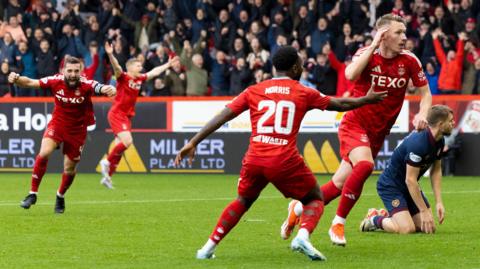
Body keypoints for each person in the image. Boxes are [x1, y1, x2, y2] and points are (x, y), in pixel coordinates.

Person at [174, 46, 387, 261]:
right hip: (283, 159)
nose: (303, 67)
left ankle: (207, 248)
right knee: (315, 199)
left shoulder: (254, 90)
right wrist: (366, 100)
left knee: (242, 201)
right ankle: (303, 236)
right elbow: (339, 103)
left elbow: (223, 116)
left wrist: (193, 141)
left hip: (254, 159)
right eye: (302, 64)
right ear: (295, 67)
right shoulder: (303, 91)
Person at [281, 14, 433, 246]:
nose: (404, 37)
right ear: (383, 35)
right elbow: (350, 75)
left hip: (377, 132)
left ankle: (299, 207)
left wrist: (423, 113)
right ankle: (338, 223)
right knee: (365, 165)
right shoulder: (366, 54)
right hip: (355, 123)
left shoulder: (410, 61)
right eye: (398, 32)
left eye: (404, 32)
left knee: (339, 184)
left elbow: (425, 94)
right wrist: (373, 46)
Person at [10, 56, 116, 214]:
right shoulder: (55, 81)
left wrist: (110, 89)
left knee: (69, 168)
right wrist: (17, 79)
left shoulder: (86, 84)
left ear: (81, 72)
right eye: (70, 71)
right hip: (58, 124)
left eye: (76, 71)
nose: (73, 74)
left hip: (78, 129)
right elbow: (32, 82)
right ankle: (32, 194)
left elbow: (100, 87)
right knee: (44, 152)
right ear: (63, 71)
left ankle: (60, 196)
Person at [360, 105, 453, 234]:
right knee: (407, 229)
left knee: (428, 228)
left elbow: (436, 170)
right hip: (391, 186)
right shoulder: (419, 144)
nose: (453, 123)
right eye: (450, 121)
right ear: (441, 124)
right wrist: (424, 211)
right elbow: (410, 180)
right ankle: (375, 219)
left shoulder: (439, 140)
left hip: (409, 186)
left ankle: (393, 216)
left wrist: (439, 202)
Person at [99, 42, 178, 189]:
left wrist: (167, 65)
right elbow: (116, 67)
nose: (140, 68)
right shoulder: (123, 77)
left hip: (127, 116)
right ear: (130, 68)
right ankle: (106, 161)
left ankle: (108, 177)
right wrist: (110, 54)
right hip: (117, 113)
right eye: (138, 66)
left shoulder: (139, 79)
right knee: (128, 141)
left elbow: (154, 72)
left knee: (120, 147)